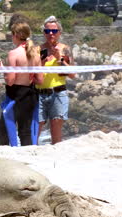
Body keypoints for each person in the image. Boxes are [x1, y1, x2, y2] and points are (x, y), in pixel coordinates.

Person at [0, 22, 43, 146]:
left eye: (12, 34)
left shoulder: (14, 54)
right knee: (25, 131)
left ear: (15, 34)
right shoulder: (36, 54)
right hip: (30, 94)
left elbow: (10, 81)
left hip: (15, 96)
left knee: (3, 132)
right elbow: (40, 80)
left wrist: (2, 69)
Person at [36, 16, 76, 145]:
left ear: (59, 32)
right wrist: (41, 62)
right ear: (44, 33)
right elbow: (32, 74)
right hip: (39, 93)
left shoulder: (65, 49)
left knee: (56, 129)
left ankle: (56, 159)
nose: (51, 34)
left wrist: (60, 59)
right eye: (47, 31)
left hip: (58, 93)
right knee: (36, 127)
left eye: (54, 31)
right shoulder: (39, 50)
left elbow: (72, 74)